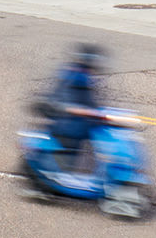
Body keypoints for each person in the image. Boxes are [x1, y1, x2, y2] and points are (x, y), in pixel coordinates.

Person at [37, 44, 106, 172]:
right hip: (67, 124)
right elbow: (60, 99)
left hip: (80, 125)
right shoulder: (73, 76)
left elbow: (91, 102)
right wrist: (75, 110)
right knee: (69, 159)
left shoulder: (86, 78)